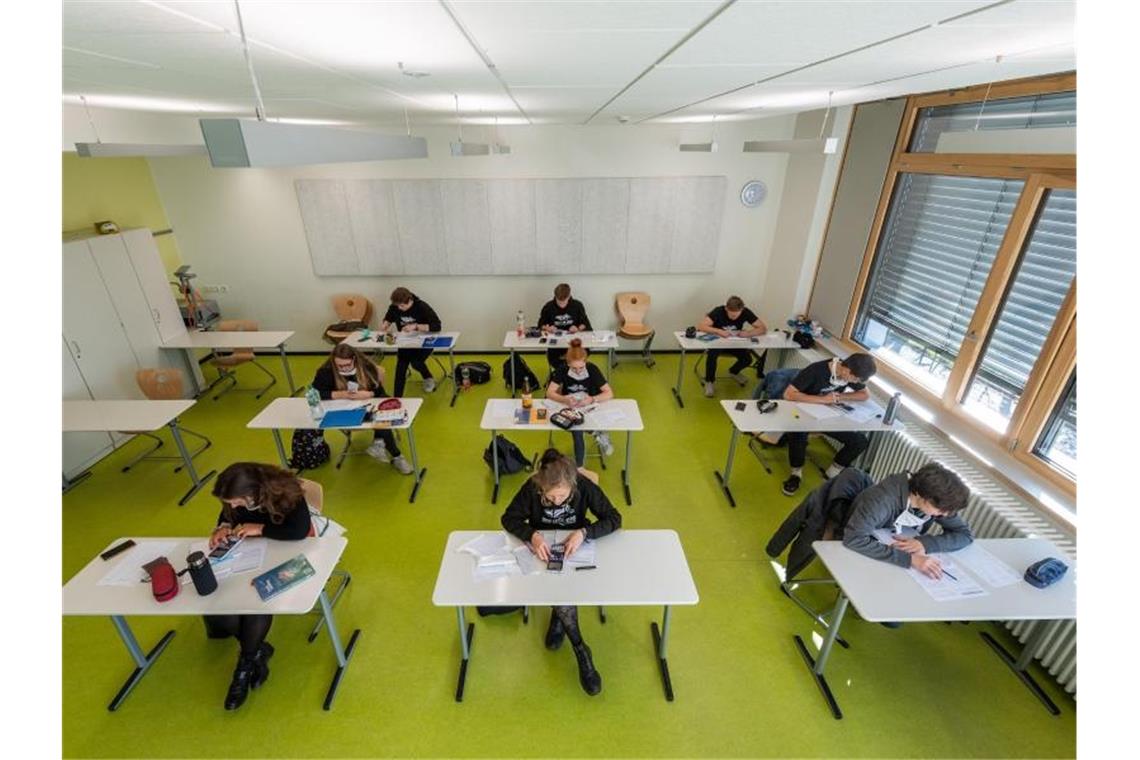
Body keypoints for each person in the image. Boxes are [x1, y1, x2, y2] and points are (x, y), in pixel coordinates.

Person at [501, 449, 623, 696]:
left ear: (572, 484)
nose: (556, 502)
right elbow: (509, 518)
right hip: (542, 553)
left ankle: (574, 640)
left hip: (574, 552)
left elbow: (614, 518)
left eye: (562, 496)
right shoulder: (531, 488)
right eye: (550, 497)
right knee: (556, 588)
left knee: (562, 589)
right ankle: (576, 641)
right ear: (541, 486)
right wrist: (532, 535)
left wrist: (583, 533)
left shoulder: (584, 486)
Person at [204, 462, 313, 710]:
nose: (232, 506)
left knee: (255, 601)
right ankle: (255, 653)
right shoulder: (235, 500)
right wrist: (222, 528)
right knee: (222, 608)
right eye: (228, 502)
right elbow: (228, 515)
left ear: (254, 492)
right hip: (251, 556)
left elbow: (298, 531)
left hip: (290, 550)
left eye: (236, 501)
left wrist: (261, 528)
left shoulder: (288, 492)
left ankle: (244, 666)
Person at [842, 462, 973, 580]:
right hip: (859, 545)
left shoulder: (938, 503)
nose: (944, 514)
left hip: (887, 545)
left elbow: (965, 535)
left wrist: (924, 544)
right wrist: (910, 559)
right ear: (923, 496)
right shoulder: (882, 499)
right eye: (941, 510)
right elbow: (854, 539)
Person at [780, 353, 878, 497]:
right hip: (802, 412)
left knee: (859, 441)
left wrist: (839, 397)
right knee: (798, 434)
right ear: (846, 370)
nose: (855, 382)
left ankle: (833, 471)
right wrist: (822, 400)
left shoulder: (849, 374)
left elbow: (865, 394)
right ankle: (796, 474)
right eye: (855, 378)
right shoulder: (816, 370)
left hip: (827, 416)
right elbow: (788, 394)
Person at [311, 343, 413, 475]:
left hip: (366, 406)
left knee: (380, 419)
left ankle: (396, 455)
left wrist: (369, 394)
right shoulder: (325, 371)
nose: (344, 368)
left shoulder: (367, 367)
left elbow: (380, 392)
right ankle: (379, 442)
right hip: (340, 411)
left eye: (347, 365)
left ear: (354, 359)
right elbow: (316, 393)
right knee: (378, 422)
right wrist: (342, 394)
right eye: (340, 366)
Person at [546, 338, 615, 465]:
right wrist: (564, 399)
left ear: (585, 361)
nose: (578, 371)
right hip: (571, 408)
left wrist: (592, 399)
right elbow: (549, 392)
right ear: (568, 364)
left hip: (589, 406)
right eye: (574, 368)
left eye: (581, 367)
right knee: (577, 429)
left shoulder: (592, 369)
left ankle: (597, 435)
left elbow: (609, 393)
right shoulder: (562, 369)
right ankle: (580, 467)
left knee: (580, 427)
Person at [698, 295, 767, 398]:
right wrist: (719, 331)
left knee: (747, 359)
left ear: (742, 309)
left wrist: (748, 333)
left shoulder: (745, 312)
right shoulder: (718, 311)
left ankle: (733, 372)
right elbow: (701, 326)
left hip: (734, 342)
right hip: (718, 341)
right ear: (726, 308)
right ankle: (709, 381)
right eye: (731, 315)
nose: (733, 318)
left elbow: (762, 328)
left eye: (736, 316)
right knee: (712, 356)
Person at [380, 286, 442, 397]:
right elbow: (388, 318)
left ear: (410, 301)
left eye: (402, 306)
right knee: (401, 366)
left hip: (424, 342)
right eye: (397, 306)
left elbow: (436, 326)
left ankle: (428, 377)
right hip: (405, 342)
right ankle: (397, 398)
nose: (399, 308)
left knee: (416, 362)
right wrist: (385, 324)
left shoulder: (422, 306)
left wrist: (416, 326)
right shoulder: (395, 307)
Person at [539, 283, 592, 369]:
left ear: (569, 297)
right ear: (555, 297)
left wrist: (577, 328)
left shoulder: (577, 305)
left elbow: (586, 325)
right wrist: (547, 328)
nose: (561, 305)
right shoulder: (548, 307)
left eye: (564, 302)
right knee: (555, 359)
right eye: (559, 302)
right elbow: (540, 325)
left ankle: (574, 369)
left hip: (575, 343)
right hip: (556, 345)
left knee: (581, 353)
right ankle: (563, 373)